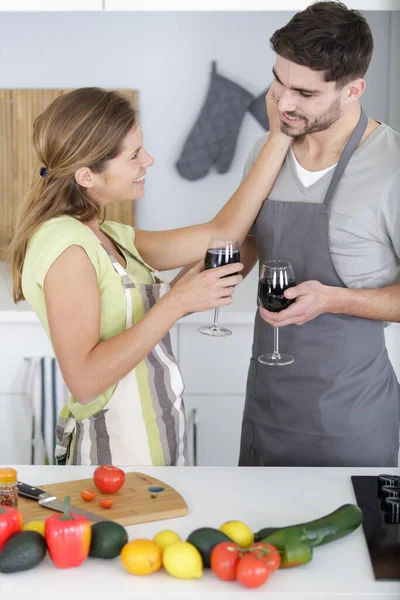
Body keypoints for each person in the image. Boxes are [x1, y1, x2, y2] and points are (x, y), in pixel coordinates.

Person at [7, 85, 292, 466]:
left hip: (155, 434)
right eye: (134, 155)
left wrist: (279, 141)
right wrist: (175, 302)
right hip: (114, 451)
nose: (150, 160)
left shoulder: (110, 235)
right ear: (87, 175)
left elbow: (222, 234)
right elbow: (86, 380)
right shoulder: (67, 247)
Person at [238, 0, 400, 468]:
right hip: (267, 402)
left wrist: (333, 299)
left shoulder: (391, 167)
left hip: (350, 416)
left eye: (305, 94)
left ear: (353, 90)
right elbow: (248, 238)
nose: (284, 104)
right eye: (279, 81)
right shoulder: (267, 150)